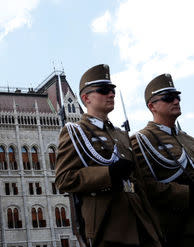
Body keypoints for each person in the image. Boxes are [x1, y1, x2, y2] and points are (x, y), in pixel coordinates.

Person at [55, 64, 163, 247]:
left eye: (112, 90)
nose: (111, 94)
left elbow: (140, 186)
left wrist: (155, 228)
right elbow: (64, 179)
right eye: (104, 90)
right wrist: (107, 173)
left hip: (140, 223)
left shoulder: (121, 135)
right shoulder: (75, 132)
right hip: (108, 228)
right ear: (85, 98)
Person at [131, 73, 194, 246]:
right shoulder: (142, 140)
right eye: (168, 98)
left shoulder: (188, 139)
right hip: (174, 231)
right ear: (152, 106)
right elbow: (147, 187)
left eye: (177, 97)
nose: (176, 101)